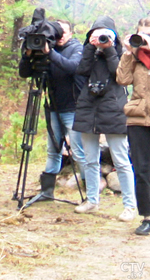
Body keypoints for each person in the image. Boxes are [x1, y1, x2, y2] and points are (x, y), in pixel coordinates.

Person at [72, 15, 137, 221]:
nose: (101, 38)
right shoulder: (89, 52)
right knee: (90, 159)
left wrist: (108, 49)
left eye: (105, 34)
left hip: (113, 109)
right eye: (96, 34)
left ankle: (129, 206)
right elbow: (81, 71)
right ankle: (92, 200)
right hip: (88, 107)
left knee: (121, 160)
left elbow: (119, 76)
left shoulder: (121, 53)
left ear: (114, 36)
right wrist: (91, 47)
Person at [19, 19, 86, 202]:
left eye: (64, 32)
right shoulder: (46, 48)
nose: (60, 36)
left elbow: (72, 67)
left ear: (70, 33)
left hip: (72, 108)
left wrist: (50, 53)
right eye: (57, 33)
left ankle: (90, 193)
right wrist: (28, 54)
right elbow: (25, 73)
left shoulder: (77, 48)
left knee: (78, 151)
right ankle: (47, 191)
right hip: (52, 108)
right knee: (53, 150)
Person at [116, 16, 150, 234]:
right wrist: (129, 52)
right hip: (138, 117)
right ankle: (147, 216)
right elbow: (122, 79)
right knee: (142, 168)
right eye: (142, 33)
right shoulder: (135, 57)